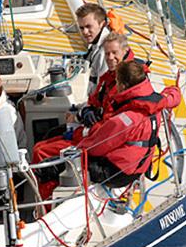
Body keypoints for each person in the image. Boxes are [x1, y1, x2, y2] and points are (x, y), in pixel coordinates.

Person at [37, 60, 181, 200]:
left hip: (115, 171)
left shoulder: (126, 119)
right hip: (134, 167)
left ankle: (46, 207)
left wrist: (75, 145)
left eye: (117, 83)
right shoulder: (156, 103)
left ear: (123, 86)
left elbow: (96, 147)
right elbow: (174, 94)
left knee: (53, 165)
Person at [31, 32, 134, 170]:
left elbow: (112, 123)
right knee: (42, 143)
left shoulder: (128, 80)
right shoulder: (109, 77)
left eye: (114, 53)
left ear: (125, 51)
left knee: (41, 152)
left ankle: (44, 190)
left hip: (101, 140)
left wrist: (82, 124)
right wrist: (85, 111)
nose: (110, 58)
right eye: (107, 53)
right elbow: (95, 101)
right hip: (93, 131)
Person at [76, 3, 110, 96]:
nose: (85, 32)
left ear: (102, 24)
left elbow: (102, 90)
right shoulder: (95, 44)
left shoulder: (105, 52)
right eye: (81, 28)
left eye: (88, 26)